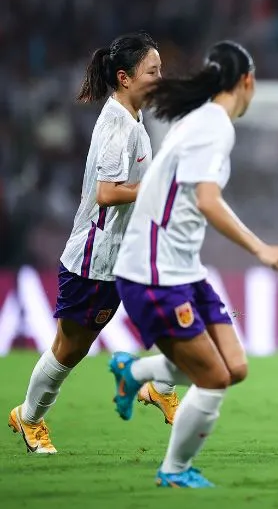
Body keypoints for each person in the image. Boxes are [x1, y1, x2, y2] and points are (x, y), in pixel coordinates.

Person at [107, 41, 278, 488]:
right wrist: (260, 249)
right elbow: (209, 201)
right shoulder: (214, 127)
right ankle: (174, 471)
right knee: (212, 377)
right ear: (247, 82)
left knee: (234, 366)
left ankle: (133, 371)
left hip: (183, 271)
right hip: (153, 275)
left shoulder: (201, 120)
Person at [7, 32, 180, 454]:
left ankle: (160, 387)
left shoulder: (134, 116)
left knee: (180, 307)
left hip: (129, 253)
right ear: (124, 78)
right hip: (95, 260)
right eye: (152, 72)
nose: (160, 78)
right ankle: (29, 418)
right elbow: (107, 193)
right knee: (70, 349)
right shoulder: (115, 127)